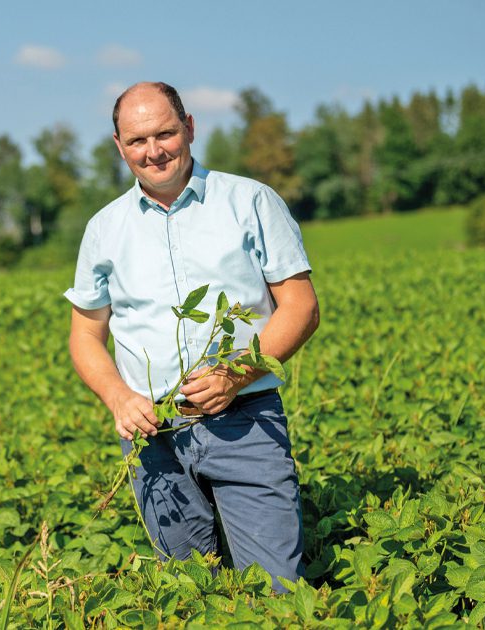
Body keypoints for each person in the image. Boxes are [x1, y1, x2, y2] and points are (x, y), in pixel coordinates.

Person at [64, 81, 320, 591]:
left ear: (189, 128)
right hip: (152, 437)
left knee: (277, 591)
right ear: (119, 146)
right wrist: (118, 397)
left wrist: (235, 374)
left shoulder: (249, 201)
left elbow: (301, 306)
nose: (153, 151)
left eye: (165, 134)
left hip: (245, 420)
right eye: (137, 141)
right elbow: (85, 335)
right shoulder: (104, 228)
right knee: (189, 594)